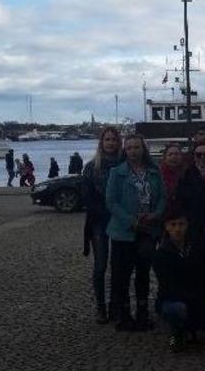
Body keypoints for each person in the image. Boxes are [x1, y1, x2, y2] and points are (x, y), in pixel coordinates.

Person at [106, 134, 166, 331]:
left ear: (143, 149)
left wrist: (156, 215)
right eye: (129, 148)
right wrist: (130, 221)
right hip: (124, 232)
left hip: (148, 231)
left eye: (136, 147)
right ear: (125, 150)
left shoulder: (154, 172)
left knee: (143, 274)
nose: (133, 151)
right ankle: (124, 315)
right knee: (122, 275)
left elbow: (162, 198)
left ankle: (142, 312)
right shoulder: (117, 172)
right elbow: (111, 202)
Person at [153, 210, 205, 353]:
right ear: (166, 227)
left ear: (187, 225)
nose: (177, 229)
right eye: (173, 225)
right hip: (174, 300)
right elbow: (171, 289)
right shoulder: (161, 255)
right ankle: (177, 332)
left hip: (198, 301)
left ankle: (192, 327)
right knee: (177, 310)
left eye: (181, 224)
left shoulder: (197, 247)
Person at [81, 127, 124, 324]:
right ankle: (101, 307)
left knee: (119, 267)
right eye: (107, 140)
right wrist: (106, 210)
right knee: (100, 266)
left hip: (121, 222)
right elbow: (86, 197)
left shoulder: (125, 164)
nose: (111, 143)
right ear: (102, 143)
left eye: (114, 140)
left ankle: (117, 305)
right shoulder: (91, 167)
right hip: (99, 222)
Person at [176, 143, 205, 245]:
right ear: (194, 156)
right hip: (195, 228)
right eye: (198, 154)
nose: (202, 157)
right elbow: (184, 204)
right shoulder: (186, 176)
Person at [159, 143, 186, 208]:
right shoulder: (158, 175)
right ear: (165, 158)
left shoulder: (187, 174)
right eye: (170, 154)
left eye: (177, 154)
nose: (174, 157)